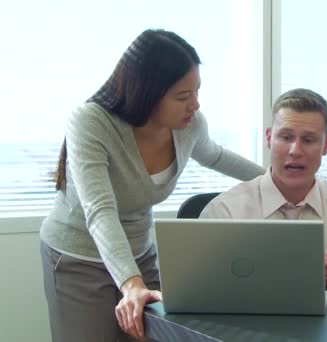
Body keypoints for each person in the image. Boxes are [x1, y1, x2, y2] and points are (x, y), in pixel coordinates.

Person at [39, 29, 265, 342]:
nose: (195, 104)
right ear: (146, 93)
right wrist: (131, 285)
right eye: (183, 96)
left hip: (140, 253)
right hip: (78, 259)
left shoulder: (189, 126)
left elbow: (215, 156)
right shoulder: (91, 122)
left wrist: (277, 180)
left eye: (197, 91)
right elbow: (101, 210)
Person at [200, 88, 327, 287]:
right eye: (286, 137)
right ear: (268, 138)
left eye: (308, 140)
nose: (295, 151)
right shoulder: (224, 211)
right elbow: (204, 290)